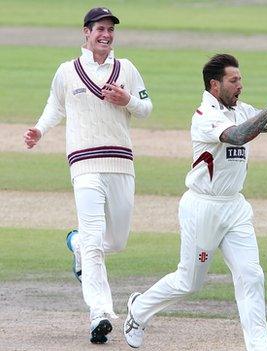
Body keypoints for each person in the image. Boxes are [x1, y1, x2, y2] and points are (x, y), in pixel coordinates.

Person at [123, 53, 267, 350]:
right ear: (214, 85)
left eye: (241, 79)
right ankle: (138, 310)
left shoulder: (239, 109)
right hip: (203, 208)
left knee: (251, 276)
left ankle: (260, 346)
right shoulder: (204, 117)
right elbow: (237, 136)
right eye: (234, 80)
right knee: (189, 283)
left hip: (234, 207)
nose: (240, 85)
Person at [22, 7, 152, 344]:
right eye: (100, 29)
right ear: (86, 33)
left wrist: (127, 101)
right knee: (96, 239)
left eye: (110, 30)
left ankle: (76, 244)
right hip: (84, 164)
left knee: (116, 240)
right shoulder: (67, 71)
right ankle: (100, 313)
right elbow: (55, 104)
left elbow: (146, 107)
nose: (106, 35)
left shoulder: (127, 69)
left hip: (121, 162)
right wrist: (39, 129)